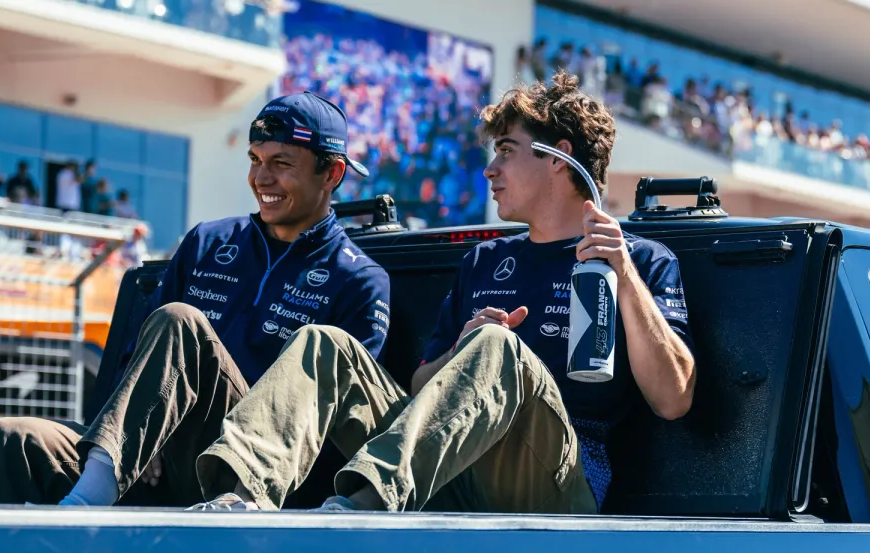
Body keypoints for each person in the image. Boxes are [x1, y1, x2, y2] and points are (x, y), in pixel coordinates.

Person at [188, 73, 697, 513]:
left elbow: (674, 399)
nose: (489, 170)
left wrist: (624, 277)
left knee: (499, 347)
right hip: (448, 471)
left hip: (556, 484)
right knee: (326, 343)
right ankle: (240, 499)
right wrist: (461, 352)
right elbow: (419, 387)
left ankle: (364, 509)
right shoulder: (486, 260)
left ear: (559, 159)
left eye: (505, 151)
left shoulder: (643, 260)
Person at [0, 92, 392, 507]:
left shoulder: (359, 280)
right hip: (152, 455)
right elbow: (134, 360)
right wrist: (137, 440)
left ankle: (86, 501)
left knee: (180, 321)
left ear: (332, 174)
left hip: (252, 476)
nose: (262, 179)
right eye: (255, 160)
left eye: (281, 163)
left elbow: (334, 431)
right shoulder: (208, 241)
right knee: (11, 437)